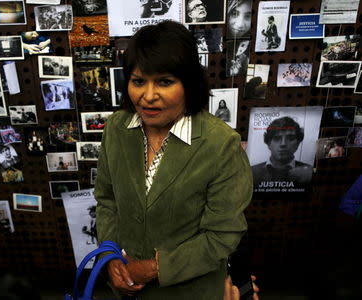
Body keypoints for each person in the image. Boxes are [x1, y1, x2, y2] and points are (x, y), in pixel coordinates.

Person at [94, 21, 253, 299]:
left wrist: (156, 268)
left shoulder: (221, 144)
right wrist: (110, 258)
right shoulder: (116, 129)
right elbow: (107, 201)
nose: (148, 96)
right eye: (138, 81)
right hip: (126, 288)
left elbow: (222, 234)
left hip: (191, 291)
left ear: (189, 83)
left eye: (165, 82)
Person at [251, 116, 313, 188]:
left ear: (298, 143)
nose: (283, 144)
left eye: (290, 138)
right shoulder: (252, 172)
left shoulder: (309, 173)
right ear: (268, 142)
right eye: (277, 138)